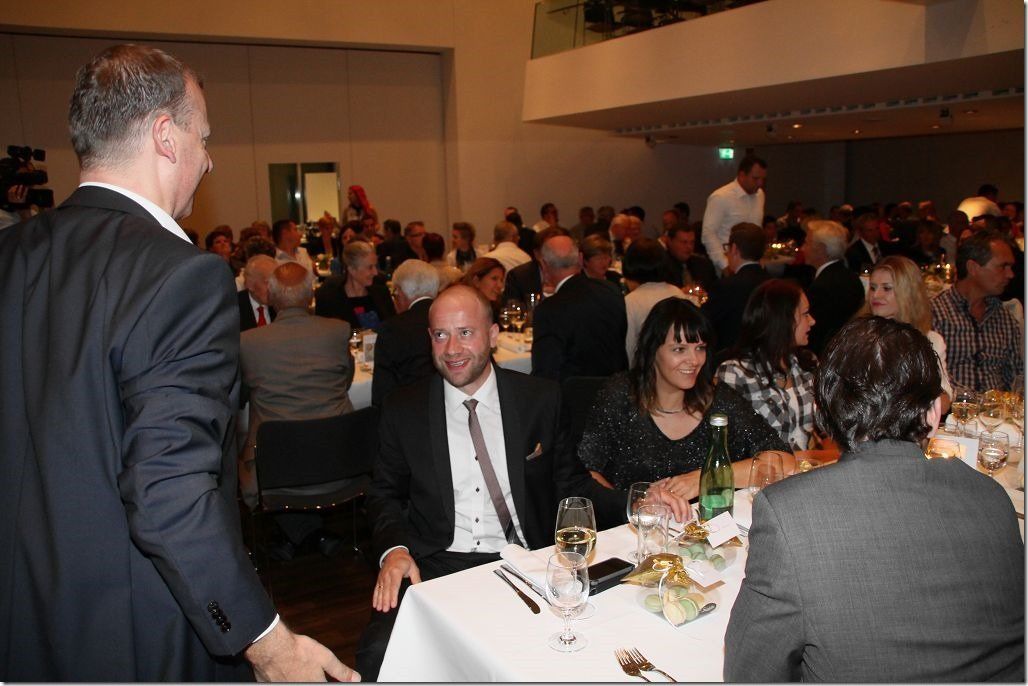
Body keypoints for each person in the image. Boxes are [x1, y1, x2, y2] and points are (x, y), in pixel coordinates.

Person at [0, 43, 354, 682]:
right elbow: (167, 489)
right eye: (204, 137)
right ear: (166, 136)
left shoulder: (12, 252)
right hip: (134, 634)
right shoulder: (180, 276)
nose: (209, 159)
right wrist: (269, 644)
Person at [354, 285, 690, 681]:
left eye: (465, 333)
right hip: (437, 563)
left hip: (525, 560)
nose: (452, 349)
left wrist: (636, 502)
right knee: (378, 653)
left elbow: (572, 483)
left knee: (591, 647)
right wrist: (394, 550)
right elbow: (383, 494)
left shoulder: (540, 399)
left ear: (493, 335)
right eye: (440, 335)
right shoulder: (404, 409)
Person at [724, 316, 1024, 682]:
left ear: (821, 415)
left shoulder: (789, 513)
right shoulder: (993, 497)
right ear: (933, 414)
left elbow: (749, 673)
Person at [578, 297, 791, 493]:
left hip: (707, 521)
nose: (694, 360)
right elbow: (585, 470)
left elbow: (783, 460)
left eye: (700, 348)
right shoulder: (621, 394)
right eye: (679, 349)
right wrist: (630, 507)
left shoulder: (719, 399)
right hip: (636, 521)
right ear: (652, 351)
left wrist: (706, 478)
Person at [239, 262, 354, 559]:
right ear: (310, 296)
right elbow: (346, 381)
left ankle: (298, 536)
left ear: (271, 296)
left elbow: (241, 394)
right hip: (340, 462)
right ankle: (313, 534)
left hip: (276, 471)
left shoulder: (249, 343)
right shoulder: (337, 331)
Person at [716, 279, 818, 451]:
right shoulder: (737, 373)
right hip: (763, 466)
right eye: (805, 314)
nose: (812, 321)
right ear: (784, 320)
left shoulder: (807, 363)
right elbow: (728, 442)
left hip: (808, 466)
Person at [931, 230, 1022, 392]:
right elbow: (927, 378)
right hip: (953, 405)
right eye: (1003, 267)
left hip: (996, 406)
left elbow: (1016, 378)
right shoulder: (936, 313)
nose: (1010, 274)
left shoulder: (1005, 318)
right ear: (973, 268)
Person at [531, 234, 629, 382]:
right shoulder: (610, 290)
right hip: (617, 387)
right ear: (581, 259)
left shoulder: (549, 309)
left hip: (575, 393)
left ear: (544, 265)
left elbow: (545, 371)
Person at [860, 255, 953, 409]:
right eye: (873, 288)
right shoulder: (859, 337)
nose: (876, 295)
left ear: (908, 293)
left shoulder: (930, 340)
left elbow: (943, 401)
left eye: (887, 288)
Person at [371, 259, 440, 407]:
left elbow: (382, 393)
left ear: (399, 292)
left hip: (410, 411)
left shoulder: (392, 328)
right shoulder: (450, 319)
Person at [701, 222, 769, 355]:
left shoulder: (725, 286)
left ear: (734, 249)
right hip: (765, 355)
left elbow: (705, 322)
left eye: (727, 247)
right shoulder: (773, 282)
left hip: (731, 356)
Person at [803, 220, 865, 355]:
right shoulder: (851, 277)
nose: (802, 248)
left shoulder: (822, 287)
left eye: (806, 243)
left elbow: (814, 335)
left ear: (821, 249)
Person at [701, 155, 767, 273]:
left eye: (763, 179)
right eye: (755, 178)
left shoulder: (760, 195)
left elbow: (757, 229)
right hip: (727, 262)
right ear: (742, 175)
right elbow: (708, 233)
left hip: (752, 263)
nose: (760, 183)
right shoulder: (721, 196)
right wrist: (724, 264)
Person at [622, 237, 684, 361]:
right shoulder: (677, 293)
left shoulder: (631, 301)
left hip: (648, 367)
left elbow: (629, 348)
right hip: (679, 361)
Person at [315, 240, 396, 331]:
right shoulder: (330, 299)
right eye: (370, 267)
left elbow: (392, 327)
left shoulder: (382, 293)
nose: (375, 272)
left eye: (375, 266)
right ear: (352, 270)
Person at [663, 223, 717, 292]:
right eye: (684, 242)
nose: (689, 247)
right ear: (670, 241)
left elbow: (715, 291)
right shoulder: (661, 267)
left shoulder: (704, 265)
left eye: (692, 242)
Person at [239, 254, 278, 331]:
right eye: (268, 283)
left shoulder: (281, 305)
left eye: (276, 283)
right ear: (250, 284)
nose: (274, 289)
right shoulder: (233, 308)